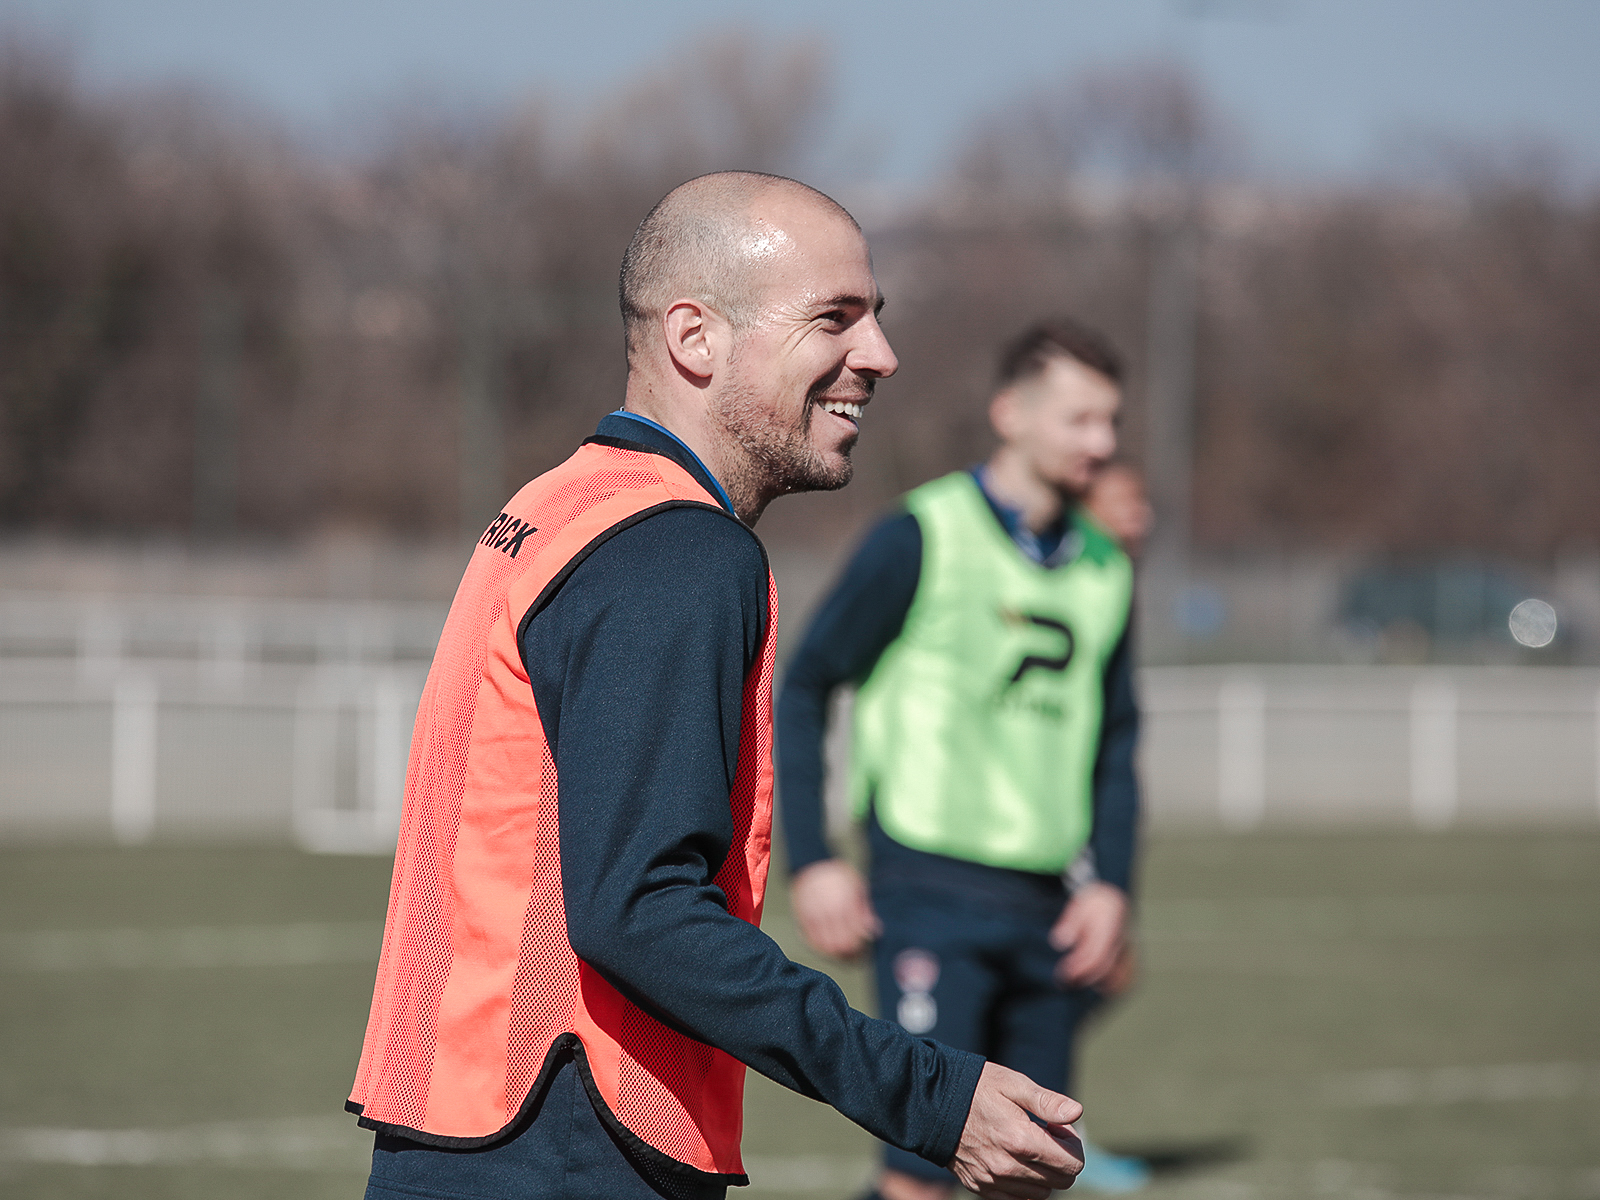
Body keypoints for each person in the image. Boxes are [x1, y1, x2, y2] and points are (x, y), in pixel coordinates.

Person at [346, 172, 1087, 1200]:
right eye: (836, 317)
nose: (879, 355)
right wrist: (926, 1096)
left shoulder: (558, 500)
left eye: (876, 318)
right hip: (566, 1144)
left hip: (464, 1132)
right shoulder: (676, 551)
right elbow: (637, 909)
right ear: (694, 338)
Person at [778, 319, 1144, 1200]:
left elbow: (1118, 738)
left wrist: (1111, 883)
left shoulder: (1106, 569)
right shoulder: (920, 534)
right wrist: (816, 860)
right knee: (920, 1176)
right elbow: (806, 684)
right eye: (1080, 419)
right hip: (928, 892)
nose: (1102, 442)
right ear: (1011, 413)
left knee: (1031, 1167)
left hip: (1050, 906)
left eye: (1112, 423)